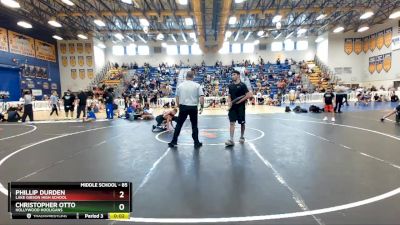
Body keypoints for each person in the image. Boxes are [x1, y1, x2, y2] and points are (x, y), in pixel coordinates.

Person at [168, 71, 204, 148]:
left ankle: (174, 141)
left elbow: (177, 97)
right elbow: (201, 97)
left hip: (183, 107)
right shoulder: (197, 85)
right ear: (193, 76)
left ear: (186, 76)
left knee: (179, 124)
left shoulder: (180, 86)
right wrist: (202, 107)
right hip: (193, 107)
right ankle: (196, 142)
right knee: (194, 125)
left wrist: (179, 106)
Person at [225, 70, 250, 147]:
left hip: (241, 107)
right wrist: (229, 102)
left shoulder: (243, 85)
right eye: (232, 74)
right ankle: (231, 140)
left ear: (238, 75)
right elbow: (229, 96)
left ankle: (242, 136)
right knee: (232, 123)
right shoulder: (230, 86)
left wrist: (239, 102)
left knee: (242, 123)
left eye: (234, 74)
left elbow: (248, 95)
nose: (232, 76)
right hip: (232, 107)